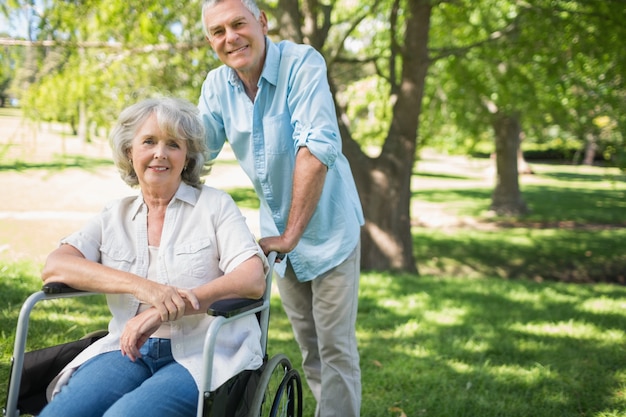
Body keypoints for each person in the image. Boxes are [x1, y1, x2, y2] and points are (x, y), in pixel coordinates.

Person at [38, 97, 268, 417]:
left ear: (186, 157)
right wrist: (144, 289)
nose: (160, 153)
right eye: (149, 141)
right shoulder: (114, 215)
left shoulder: (214, 206)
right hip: (128, 349)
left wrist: (166, 309)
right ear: (130, 151)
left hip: (204, 354)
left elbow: (252, 278)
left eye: (173, 144)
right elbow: (55, 266)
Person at [198, 1, 365, 415]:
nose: (230, 37)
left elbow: (317, 146)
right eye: (218, 31)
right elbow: (193, 155)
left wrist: (290, 235)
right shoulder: (217, 87)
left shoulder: (301, 64)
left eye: (238, 24)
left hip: (328, 232)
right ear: (210, 42)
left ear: (263, 22)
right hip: (281, 243)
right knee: (310, 348)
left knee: (335, 350)